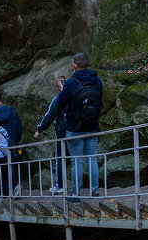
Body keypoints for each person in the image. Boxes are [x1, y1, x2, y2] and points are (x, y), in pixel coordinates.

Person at [39, 52, 104, 197]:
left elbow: (61, 102)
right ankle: (94, 191)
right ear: (88, 64)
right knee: (92, 159)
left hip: (75, 128)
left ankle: (76, 193)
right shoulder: (97, 80)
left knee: (77, 162)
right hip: (93, 126)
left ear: (75, 65)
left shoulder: (71, 83)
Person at [34, 75, 70, 195]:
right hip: (75, 130)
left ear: (58, 87)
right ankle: (78, 187)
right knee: (76, 160)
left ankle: (59, 186)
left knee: (60, 159)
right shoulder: (75, 96)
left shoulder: (59, 99)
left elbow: (49, 115)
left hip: (62, 132)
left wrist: (39, 129)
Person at [0, 90, 23, 196]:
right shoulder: (11, 110)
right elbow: (18, 126)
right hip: (12, 143)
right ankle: (13, 188)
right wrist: (18, 139)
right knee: (11, 165)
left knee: (1, 169)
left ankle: (5, 192)